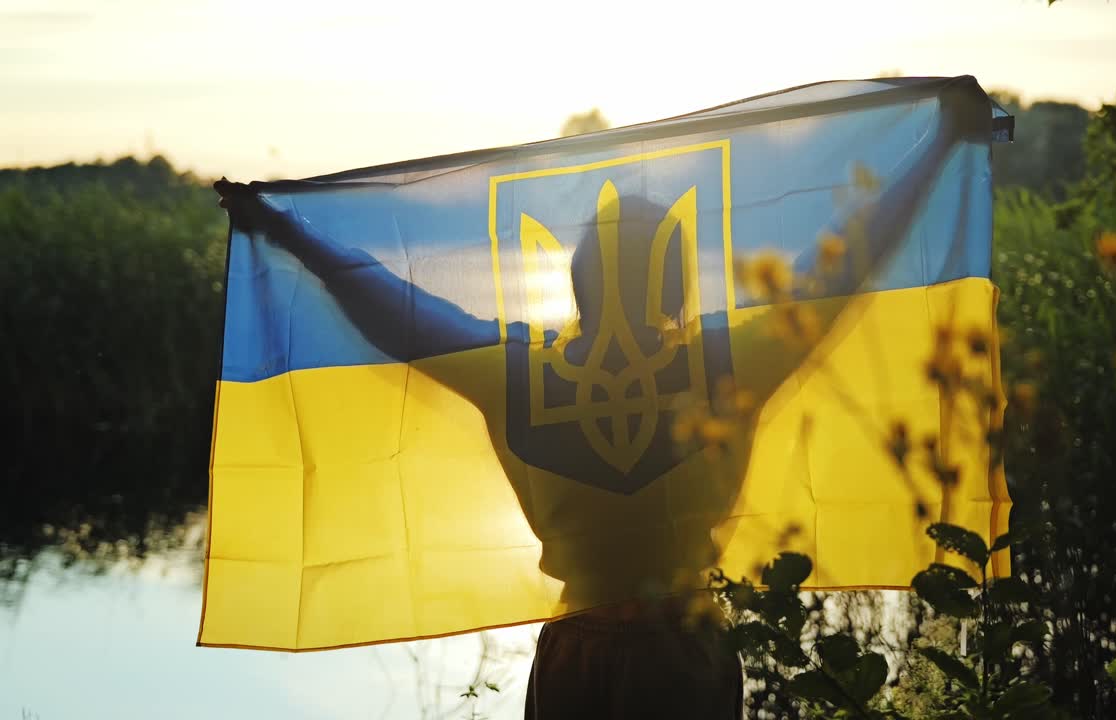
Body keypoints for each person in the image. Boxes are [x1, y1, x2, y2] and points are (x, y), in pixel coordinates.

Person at [215, 81, 986, 718]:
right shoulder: (730, 362)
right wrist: (938, 147)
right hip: (685, 659)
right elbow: (844, 267)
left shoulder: (516, 373)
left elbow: (383, 303)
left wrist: (289, 232)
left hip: (578, 659)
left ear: (581, 274)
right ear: (676, 279)